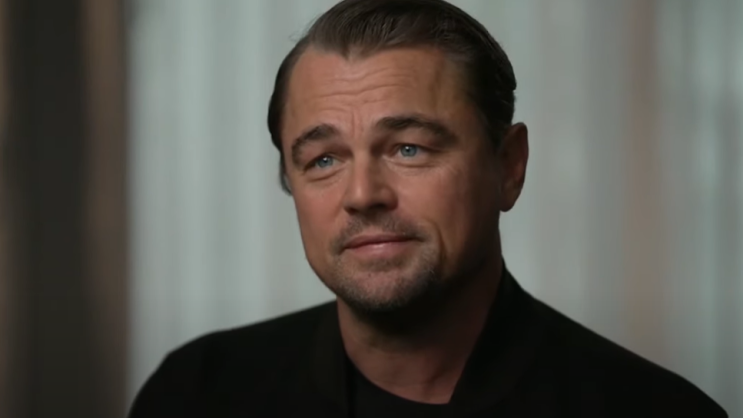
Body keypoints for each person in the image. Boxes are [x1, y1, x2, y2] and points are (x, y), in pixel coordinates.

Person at [129, 0, 727, 417]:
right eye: (324, 160)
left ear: (509, 166)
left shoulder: (656, 411)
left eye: (409, 148)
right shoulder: (197, 393)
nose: (362, 194)